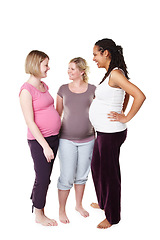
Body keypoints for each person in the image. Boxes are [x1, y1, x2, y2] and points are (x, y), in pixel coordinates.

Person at [89, 38, 146, 229]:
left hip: (111, 134)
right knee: (97, 168)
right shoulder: (110, 74)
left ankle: (113, 216)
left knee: (109, 174)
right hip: (103, 132)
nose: (94, 58)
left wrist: (125, 117)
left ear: (106, 53)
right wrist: (121, 108)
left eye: (96, 54)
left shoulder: (115, 74)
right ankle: (104, 202)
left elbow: (139, 95)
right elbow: (127, 92)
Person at [19, 50, 61, 226]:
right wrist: (45, 146)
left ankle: (36, 201)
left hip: (54, 138)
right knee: (43, 178)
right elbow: (30, 122)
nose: (48, 68)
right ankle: (39, 213)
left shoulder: (44, 86)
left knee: (44, 175)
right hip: (39, 141)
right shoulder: (26, 91)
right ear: (36, 65)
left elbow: (50, 110)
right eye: (45, 64)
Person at [56, 57, 96, 224]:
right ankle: (61, 210)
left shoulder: (93, 89)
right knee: (66, 176)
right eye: (68, 68)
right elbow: (57, 115)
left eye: (72, 69)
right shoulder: (63, 89)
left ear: (82, 71)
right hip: (66, 139)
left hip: (88, 139)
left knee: (82, 175)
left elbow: (98, 113)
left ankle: (78, 205)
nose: (69, 71)